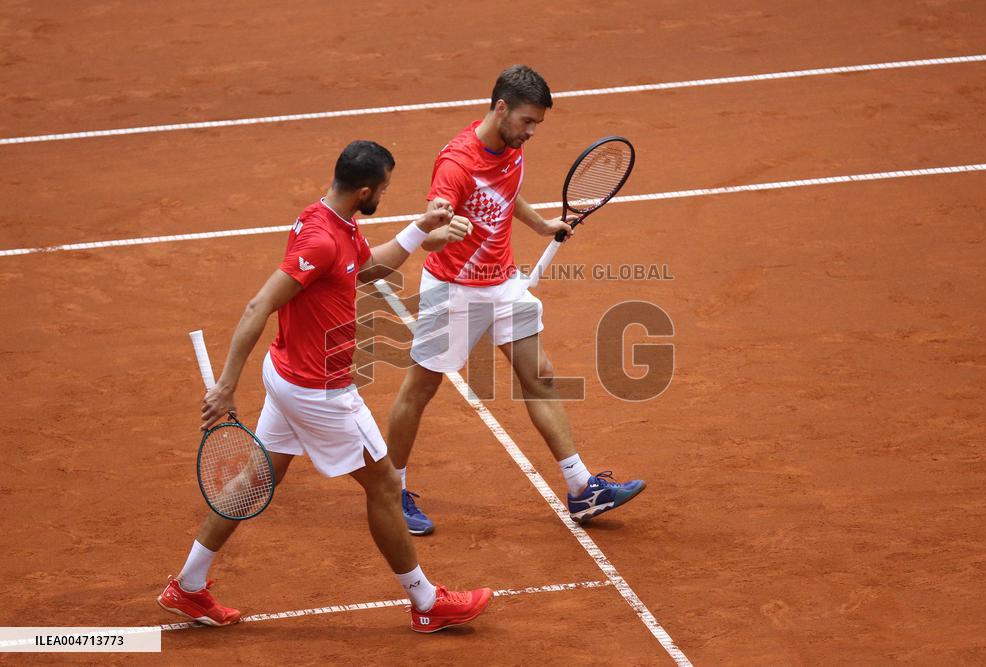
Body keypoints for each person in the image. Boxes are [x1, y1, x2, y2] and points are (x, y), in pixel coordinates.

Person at [157, 141, 490, 633]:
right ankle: (425, 602)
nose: (385, 194)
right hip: (319, 390)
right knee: (383, 485)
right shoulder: (320, 241)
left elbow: (368, 268)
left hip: (288, 374)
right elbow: (257, 306)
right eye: (383, 189)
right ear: (363, 191)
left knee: (253, 482)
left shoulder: (331, 219)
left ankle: (187, 586)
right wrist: (227, 385)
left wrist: (421, 228)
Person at [386, 65, 645, 536]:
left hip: (503, 284)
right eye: (527, 121)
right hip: (454, 290)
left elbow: (508, 194)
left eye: (537, 125)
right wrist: (444, 231)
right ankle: (391, 488)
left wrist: (542, 225)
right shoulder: (456, 164)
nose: (531, 132)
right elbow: (428, 234)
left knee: (541, 377)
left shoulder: (509, 150)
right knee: (420, 390)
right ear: (501, 108)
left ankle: (581, 488)